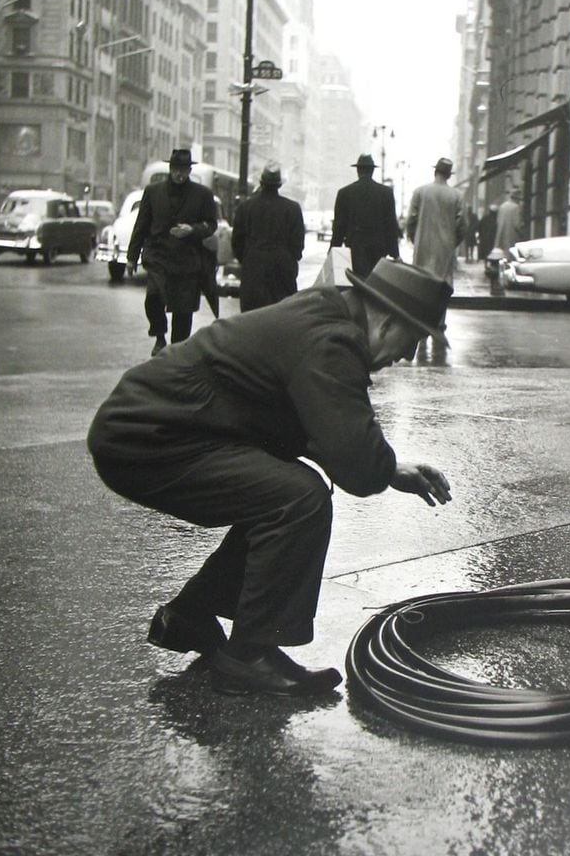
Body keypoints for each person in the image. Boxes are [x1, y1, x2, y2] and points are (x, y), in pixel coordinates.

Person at [87, 258, 454, 698]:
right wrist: (379, 467)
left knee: (278, 491)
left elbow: (318, 426)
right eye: (412, 340)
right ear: (388, 321)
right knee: (298, 498)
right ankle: (247, 656)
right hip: (148, 439)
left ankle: (190, 616)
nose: (406, 356)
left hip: (154, 428)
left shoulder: (324, 314)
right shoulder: (332, 342)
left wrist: (390, 468)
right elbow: (356, 464)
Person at [128, 147, 219, 355]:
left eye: (184, 170)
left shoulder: (203, 195)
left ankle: (178, 349)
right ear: (170, 168)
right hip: (158, 256)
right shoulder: (153, 192)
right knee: (153, 297)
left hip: (187, 261)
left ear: (189, 171)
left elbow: (211, 224)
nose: (180, 174)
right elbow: (141, 225)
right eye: (176, 169)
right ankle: (159, 336)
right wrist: (132, 257)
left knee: (183, 310)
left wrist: (193, 230)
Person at [230, 161, 306, 312]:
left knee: (252, 318)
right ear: (279, 185)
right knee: (280, 317)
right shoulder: (293, 209)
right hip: (282, 271)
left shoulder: (246, 207)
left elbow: (237, 242)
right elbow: (298, 245)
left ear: (261, 182)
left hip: (254, 269)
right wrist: (288, 259)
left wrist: (248, 258)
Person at [330, 153, 401, 276]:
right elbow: (391, 226)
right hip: (379, 249)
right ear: (372, 171)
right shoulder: (386, 193)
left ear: (358, 170)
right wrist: (395, 254)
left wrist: (333, 250)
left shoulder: (344, 193)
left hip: (355, 248)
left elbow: (339, 227)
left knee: (356, 284)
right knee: (375, 284)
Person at [404, 157, 467, 286]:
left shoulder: (420, 192)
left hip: (423, 245)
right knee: (442, 286)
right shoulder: (457, 196)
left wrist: (414, 238)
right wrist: (453, 241)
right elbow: (462, 225)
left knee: (421, 284)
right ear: (449, 175)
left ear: (435, 172)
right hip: (445, 248)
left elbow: (410, 220)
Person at [493, 186, 524, 258]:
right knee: (510, 257)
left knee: (501, 256)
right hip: (511, 237)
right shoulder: (516, 207)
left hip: (500, 236)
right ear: (517, 198)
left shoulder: (502, 206)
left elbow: (498, 222)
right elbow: (517, 224)